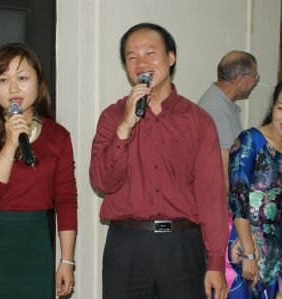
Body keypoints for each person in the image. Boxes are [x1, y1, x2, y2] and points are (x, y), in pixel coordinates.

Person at [89, 23, 228, 299]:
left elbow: (212, 196)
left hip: (182, 246)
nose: (141, 63)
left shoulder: (199, 121)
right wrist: (124, 128)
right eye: (132, 57)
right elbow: (102, 181)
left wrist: (215, 262)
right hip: (127, 245)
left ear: (171, 57)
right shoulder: (112, 116)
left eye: (150, 53)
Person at [0, 43, 77, 298]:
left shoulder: (58, 136)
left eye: (22, 78)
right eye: (3, 79)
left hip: (34, 247)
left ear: (39, 82)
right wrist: (10, 144)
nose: (14, 88)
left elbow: (66, 200)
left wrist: (66, 261)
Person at [227, 75, 282, 298]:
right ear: (273, 107)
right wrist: (248, 253)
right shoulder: (251, 140)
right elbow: (238, 199)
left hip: (276, 248)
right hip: (242, 242)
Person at [198, 51, 258, 192]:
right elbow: (225, 175)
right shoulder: (217, 110)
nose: (255, 81)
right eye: (255, 77)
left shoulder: (222, 102)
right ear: (240, 79)